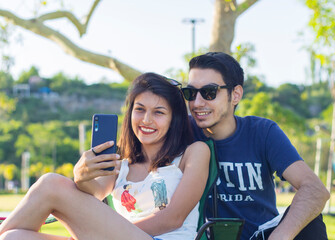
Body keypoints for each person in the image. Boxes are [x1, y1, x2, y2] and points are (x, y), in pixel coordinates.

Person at [0, 72, 210, 240]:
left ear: (174, 119)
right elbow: (95, 193)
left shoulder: (194, 152)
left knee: (51, 183)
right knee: (13, 237)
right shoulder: (119, 162)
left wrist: (102, 233)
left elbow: (173, 219)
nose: (146, 120)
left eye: (159, 112)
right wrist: (81, 176)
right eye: (140, 109)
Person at [181, 52, 330, 240]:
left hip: (259, 236)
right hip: (202, 236)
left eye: (209, 92)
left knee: (311, 223)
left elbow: (315, 190)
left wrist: (280, 236)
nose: (197, 102)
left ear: (235, 95)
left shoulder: (262, 132)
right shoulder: (179, 132)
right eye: (190, 93)